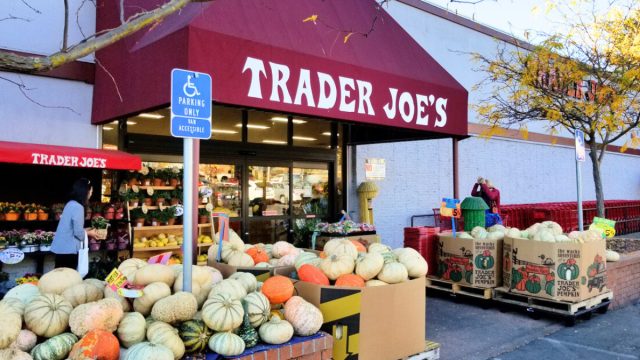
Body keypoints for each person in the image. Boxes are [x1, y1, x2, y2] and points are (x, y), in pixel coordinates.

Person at [51, 178, 98, 268]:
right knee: (68, 278)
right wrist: (89, 233)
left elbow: (71, 228)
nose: (91, 194)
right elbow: (78, 233)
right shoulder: (78, 207)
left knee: (59, 277)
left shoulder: (71, 203)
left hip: (61, 249)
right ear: (85, 192)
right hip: (68, 250)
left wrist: (85, 230)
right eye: (91, 191)